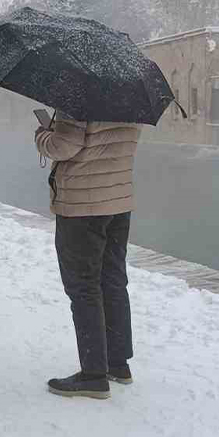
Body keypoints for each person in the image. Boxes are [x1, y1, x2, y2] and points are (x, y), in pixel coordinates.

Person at [35, 112, 141, 400]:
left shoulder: (78, 98)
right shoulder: (127, 98)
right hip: (118, 201)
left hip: (82, 204)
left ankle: (93, 374)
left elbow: (64, 146)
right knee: (113, 281)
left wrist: (43, 135)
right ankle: (117, 363)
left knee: (83, 286)